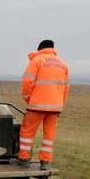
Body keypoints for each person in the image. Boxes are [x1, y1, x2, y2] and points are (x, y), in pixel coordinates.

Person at [14, 39, 70, 170]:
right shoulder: (63, 64)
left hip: (37, 105)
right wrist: (60, 104)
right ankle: (45, 162)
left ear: (40, 49)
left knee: (27, 132)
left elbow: (27, 82)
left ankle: (24, 159)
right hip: (55, 107)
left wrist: (28, 99)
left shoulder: (36, 61)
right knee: (49, 136)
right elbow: (66, 88)